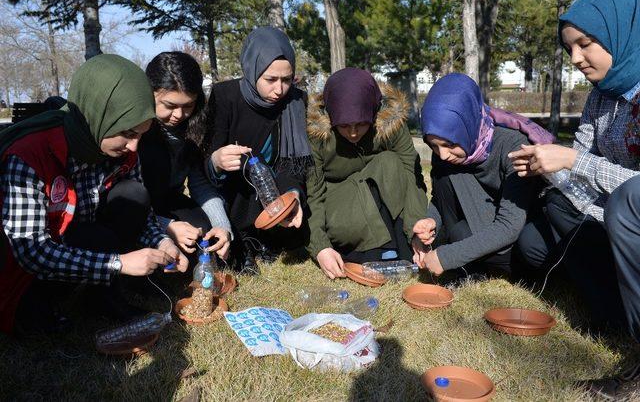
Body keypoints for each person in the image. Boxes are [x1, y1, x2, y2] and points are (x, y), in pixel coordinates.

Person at [510, 0, 640, 399]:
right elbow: (581, 155)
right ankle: (616, 313)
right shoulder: (600, 97)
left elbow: (628, 191)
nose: (576, 60)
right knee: (538, 236)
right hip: (615, 219)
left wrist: (571, 162)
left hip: (630, 217)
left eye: (585, 44)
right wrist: (548, 168)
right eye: (570, 49)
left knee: (622, 204)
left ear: (624, 33)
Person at [0, 54, 188, 335]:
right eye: (127, 132)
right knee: (34, 323)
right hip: (24, 271)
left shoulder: (122, 149)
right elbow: (31, 252)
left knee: (133, 194)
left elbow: (142, 213)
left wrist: (162, 242)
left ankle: (103, 298)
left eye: (141, 134)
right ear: (97, 115)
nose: (135, 147)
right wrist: (119, 263)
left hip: (78, 240)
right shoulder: (29, 154)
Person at [202, 27, 311, 274]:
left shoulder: (295, 101)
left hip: (274, 186)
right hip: (233, 188)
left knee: (298, 223)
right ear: (252, 71)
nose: (280, 89)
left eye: (287, 79)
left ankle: (267, 240)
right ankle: (244, 242)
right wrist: (216, 161)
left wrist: (292, 194)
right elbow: (205, 161)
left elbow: (293, 163)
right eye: (271, 79)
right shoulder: (225, 96)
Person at [414, 73, 543, 278]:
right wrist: (431, 221)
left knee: (463, 236)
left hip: (516, 236)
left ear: (469, 125)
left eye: (450, 144)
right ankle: (470, 264)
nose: (442, 154)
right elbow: (440, 199)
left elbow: (509, 226)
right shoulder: (444, 150)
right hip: (476, 222)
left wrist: (448, 257)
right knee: (459, 232)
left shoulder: (512, 147)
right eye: (433, 146)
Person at [305, 67, 430, 279]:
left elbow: (411, 174)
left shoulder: (391, 124)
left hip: (383, 196)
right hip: (341, 210)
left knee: (390, 161)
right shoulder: (317, 135)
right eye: (344, 126)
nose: (353, 133)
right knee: (371, 180)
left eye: (361, 124)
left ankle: (402, 245)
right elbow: (312, 194)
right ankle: (375, 251)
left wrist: (416, 228)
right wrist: (320, 247)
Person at [140, 52, 232, 262]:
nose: (179, 116)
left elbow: (198, 181)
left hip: (171, 200)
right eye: (170, 106)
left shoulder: (195, 128)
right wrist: (167, 226)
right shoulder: (136, 134)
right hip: (138, 207)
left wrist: (221, 225)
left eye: (188, 106)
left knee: (204, 234)